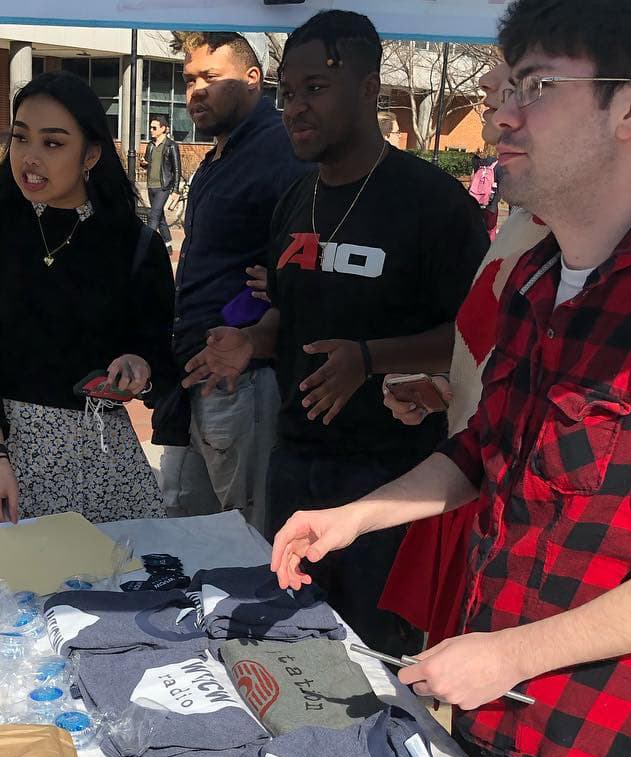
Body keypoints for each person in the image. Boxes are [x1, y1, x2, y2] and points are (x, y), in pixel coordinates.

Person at [272, 0, 631, 757]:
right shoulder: (546, 276)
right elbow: (482, 452)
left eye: (537, 88)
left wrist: (511, 654)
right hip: (488, 701)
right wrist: (353, 516)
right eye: (505, 87)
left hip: (596, 746)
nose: (502, 113)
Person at [184, 10, 488, 657]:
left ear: (370, 87)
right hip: (295, 464)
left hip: (391, 480)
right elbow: (289, 317)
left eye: (315, 88)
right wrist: (252, 341)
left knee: (379, 669)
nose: (295, 107)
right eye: (287, 93)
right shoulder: (295, 200)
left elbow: (475, 337)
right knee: (293, 650)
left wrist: (371, 359)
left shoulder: (436, 205)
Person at [0, 72, 175, 526]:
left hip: (100, 458)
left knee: (109, 590)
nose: (30, 158)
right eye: (19, 138)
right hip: (3, 458)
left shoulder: (136, 246)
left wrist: (139, 367)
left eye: (53, 144)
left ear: (91, 153)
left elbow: (159, 352)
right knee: (3, 592)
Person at [377, 62, 550, 647]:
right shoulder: (525, 225)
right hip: (470, 480)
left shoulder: (580, 246)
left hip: (519, 532)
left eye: (521, 88)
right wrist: (446, 392)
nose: (493, 109)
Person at [156, 31, 311, 533]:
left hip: (241, 379)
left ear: (253, 80)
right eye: (188, 80)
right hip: (196, 377)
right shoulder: (219, 157)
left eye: (210, 78)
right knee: (181, 527)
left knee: (247, 537)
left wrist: (281, 291)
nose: (195, 91)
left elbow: (313, 252)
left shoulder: (281, 150)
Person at [141, 113, 180, 250]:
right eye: (150, 128)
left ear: (163, 128)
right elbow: (147, 162)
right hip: (151, 186)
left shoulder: (171, 145)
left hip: (163, 187)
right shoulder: (150, 145)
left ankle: (146, 246)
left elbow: (177, 169)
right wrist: (144, 163)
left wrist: (175, 190)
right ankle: (168, 243)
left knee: (153, 216)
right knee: (160, 217)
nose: (151, 130)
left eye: (154, 128)